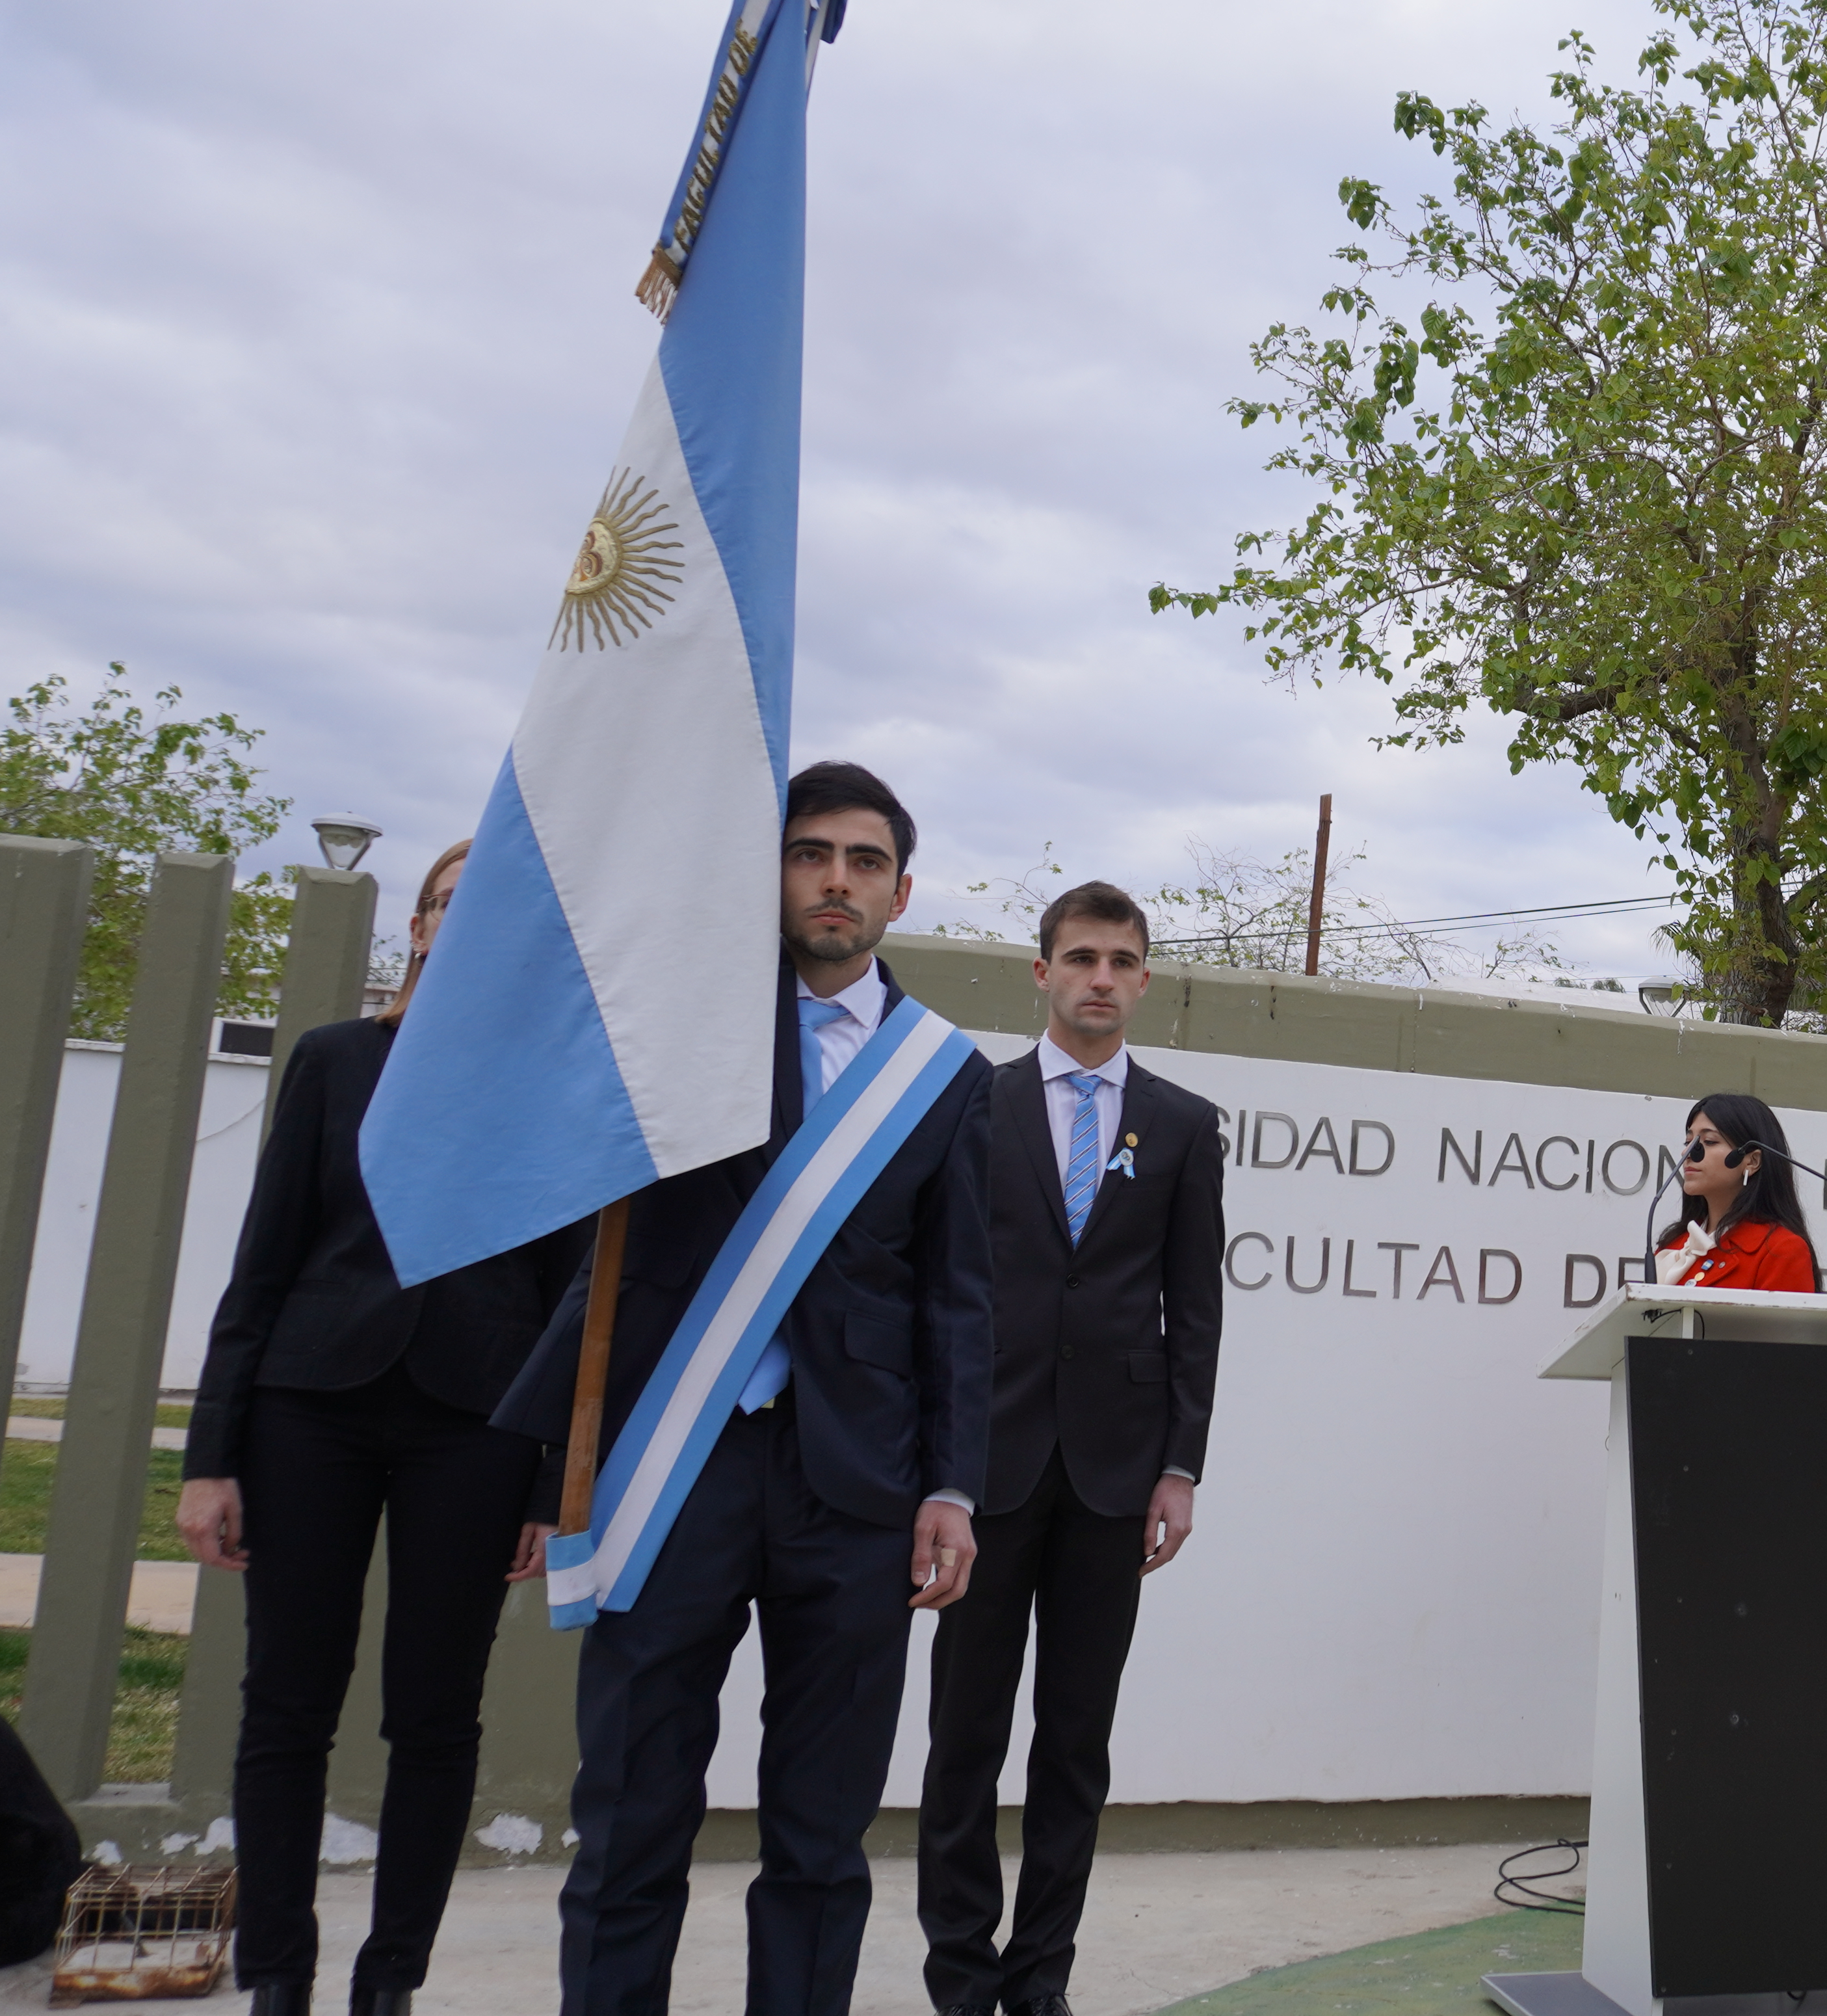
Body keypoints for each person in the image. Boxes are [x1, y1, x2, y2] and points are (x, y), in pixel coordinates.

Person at [491, 761, 995, 2016]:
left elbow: (959, 1296)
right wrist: (558, 1458)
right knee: (630, 1817)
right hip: (672, 1467)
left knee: (822, 1840)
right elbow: (585, 1245)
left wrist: (951, 1484)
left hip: (859, 1482)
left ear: (900, 890)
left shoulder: (950, 1078)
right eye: (810, 853)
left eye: (863, 861)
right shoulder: (672, 1025)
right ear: (770, 873)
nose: (836, 880)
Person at [178, 842, 586, 2016]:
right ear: (416, 928)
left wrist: (547, 1473)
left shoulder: (547, 1092)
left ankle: (389, 1977)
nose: (470, 928)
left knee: (434, 1710)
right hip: (311, 1413)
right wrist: (211, 1455)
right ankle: (278, 1974)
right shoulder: (333, 1063)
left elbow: (570, 1295)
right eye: (455, 906)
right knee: (287, 1702)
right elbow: (261, 1266)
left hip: (478, 1425)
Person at [915, 880, 1224, 2016]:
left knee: (1075, 1746)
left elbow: (1194, 1310)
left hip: (1114, 1473)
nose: (1101, 976)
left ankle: (1038, 1981)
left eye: (1122, 960)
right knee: (963, 1743)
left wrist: (1180, 1466)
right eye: (1081, 956)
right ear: (1040, 972)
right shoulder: (970, 1107)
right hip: (983, 1473)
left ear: (1145, 981)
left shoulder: (1185, 1126)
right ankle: (959, 1980)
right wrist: (933, 1465)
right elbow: (934, 1291)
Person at [1652, 1093, 1819, 1293]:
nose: (1687, 1154)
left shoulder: (1780, 1250)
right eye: (1688, 1142)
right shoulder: (1674, 1246)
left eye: (1710, 1141)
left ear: (1751, 1161)